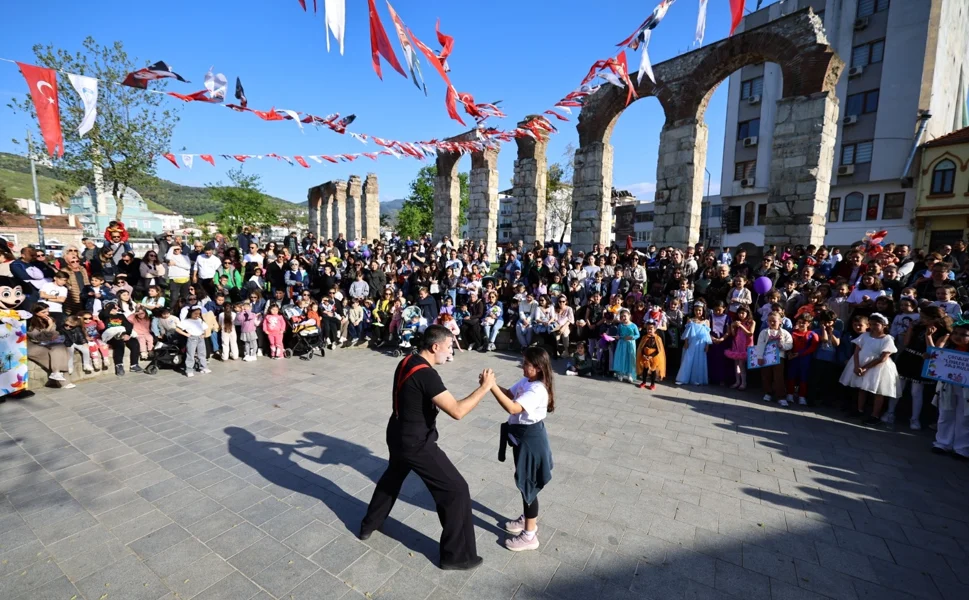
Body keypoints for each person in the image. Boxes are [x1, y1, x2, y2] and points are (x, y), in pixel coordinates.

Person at [360, 325, 495, 571]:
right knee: (456, 490)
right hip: (416, 443)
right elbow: (457, 410)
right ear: (435, 346)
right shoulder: (427, 374)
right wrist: (485, 387)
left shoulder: (407, 360)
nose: (451, 352)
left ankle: (369, 524)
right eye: (449, 347)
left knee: (393, 477)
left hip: (397, 432)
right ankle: (457, 556)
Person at [488, 346, 554, 552]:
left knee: (528, 485)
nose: (522, 366)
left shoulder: (538, 389)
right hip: (522, 438)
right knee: (524, 480)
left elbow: (513, 407)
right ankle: (527, 519)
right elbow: (509, 394)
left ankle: (529, 535)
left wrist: (490, 387)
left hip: (531, 441)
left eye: (526, 363)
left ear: (538, 367)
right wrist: (492, 384)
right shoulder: (527, 381)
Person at [839, 312, 899, 425]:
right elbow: (856, 351)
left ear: (884, 325)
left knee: (878, 391)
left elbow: (883, 357)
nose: (872, 327)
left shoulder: (887, 339)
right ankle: (859, 410)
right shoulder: (865, 335)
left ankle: (875, 415)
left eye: (876, 324)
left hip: (877, 367)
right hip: (860, 363)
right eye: (871, 324)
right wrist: (857, 366)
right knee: (862, 387)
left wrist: (865, 368)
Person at [932, 319, 969, 458]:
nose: (958, 337)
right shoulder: (948, 349)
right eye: (956, 333)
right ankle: (942, 443)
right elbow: (935, 363)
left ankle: (962, 448)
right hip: (948, 386)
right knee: (945, 413)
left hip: (966, 390)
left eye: (963, 334)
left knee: (964, 418)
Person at [675, 301, 712, 385]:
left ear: (703, 310)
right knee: (688, 358)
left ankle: (697, 379)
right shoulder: (690, 320)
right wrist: (686, 342)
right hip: (691, 342)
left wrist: (707, 345)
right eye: (696, 310)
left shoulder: (706, 321)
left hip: (701, 344)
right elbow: (687, 333)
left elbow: (707, 335)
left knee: (699, 360)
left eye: (699, 310)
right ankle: (683, 378)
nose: (698, 312)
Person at [724, 305, 754, 390]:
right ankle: (737, 381)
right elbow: (733, 334)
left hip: (745, 346)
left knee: (742, 365)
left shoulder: (751, 322)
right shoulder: (736, 322)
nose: (741, 315)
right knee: (736, 364)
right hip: (737, 345)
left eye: (743, 313)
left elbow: (750, 333)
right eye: (739, 313)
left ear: (747, 313)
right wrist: (732, 327)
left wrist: (741, 326)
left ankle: (743, 382)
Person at [177, 307, 211, 377]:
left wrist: (204, 334)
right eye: (195, 313)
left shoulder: (200, 320)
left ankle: (203, 367)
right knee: (190, 354)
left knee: (202, 353)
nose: (197, 315)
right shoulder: (186, 321)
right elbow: (177, 329)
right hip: (192, 338)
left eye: (198, 314)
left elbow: (205, 327)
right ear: (190, 313)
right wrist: (186, 334)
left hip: (200, 338)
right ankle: (189, 370)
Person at [611, 308, 640, 383]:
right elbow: (618, 333)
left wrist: (632, 337)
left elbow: (638, 335)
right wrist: (617, 336)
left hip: (630, 344)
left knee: (630, 358)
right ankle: (620, 373)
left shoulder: (633, 325)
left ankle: (629, 374)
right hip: (621, 344)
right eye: (621, 317)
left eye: (624, 316)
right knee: (621, 357)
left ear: (629, 316)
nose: (623, 318)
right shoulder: (620, 325)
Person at [636, 321, 666, 390]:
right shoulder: (644, 337)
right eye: (648, 329)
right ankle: (643, 382)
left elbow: (659, 350)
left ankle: (652, 384)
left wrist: (651, 356)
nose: (649, 330)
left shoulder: (658, 338)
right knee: (645, 370)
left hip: (654, 357)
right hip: (645, 357)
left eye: (651, 329)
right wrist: (643, 355)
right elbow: (641, 347)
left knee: (653, 371)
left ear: (655, 329)